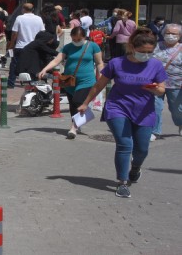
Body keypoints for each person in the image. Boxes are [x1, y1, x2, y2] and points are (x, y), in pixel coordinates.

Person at [77, 28, 167, 198]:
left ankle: (135, 167)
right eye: (142, 52)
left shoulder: (155, 65)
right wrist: (85, 103)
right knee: (125, 144)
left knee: (142, 149)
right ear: (132, 47)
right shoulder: (116, 63)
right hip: (117, 107)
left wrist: (156, 89)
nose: (146, 55)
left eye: (150, 52)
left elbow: (162, 89)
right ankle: (122, 182)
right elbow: (99, 85)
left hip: (144, 111)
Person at [38, 27, 104, 139]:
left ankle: (73, 128)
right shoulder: (68, 47)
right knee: (73, 104)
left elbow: (99, 63)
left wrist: (102, 77)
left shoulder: (93, 46)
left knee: (78, 100)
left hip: (86, 80)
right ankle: (77, 123)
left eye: (79, 39)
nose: (77, 42)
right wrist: (44, 69)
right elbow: (56, 60)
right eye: (74, 39)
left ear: (84, 37)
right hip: (69, 81)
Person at [152, 23, 182, 139]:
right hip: (156, 82)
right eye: (168, 33)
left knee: (177, 109)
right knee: (155, 106)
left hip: (176, 84)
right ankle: (155, 131)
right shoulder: (156, 46)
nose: (170, 35)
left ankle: (180, 123)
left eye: (174, 33)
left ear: (179, 36)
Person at [8, 3, 45, 88]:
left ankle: (11, 83)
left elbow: (14, 33)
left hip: (21, 45)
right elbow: (42, 32)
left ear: (23, 9)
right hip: (34, 46)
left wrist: (11, 44)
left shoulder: (20, 18)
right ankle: (33, 82)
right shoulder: (38, 18)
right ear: (33, 9)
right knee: (33, 65)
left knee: (14, 64)